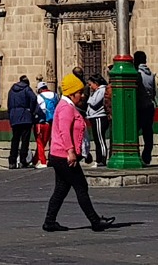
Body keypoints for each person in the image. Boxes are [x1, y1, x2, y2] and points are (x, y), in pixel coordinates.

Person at [41, 73, 114, 233]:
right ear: (71, 93)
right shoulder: (66, 108)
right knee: (81, 186)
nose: (82, 96)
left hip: (60, 155)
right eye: (79, 93)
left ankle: (49, 221)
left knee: (61, 189)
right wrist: (71, 152)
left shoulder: (65, 106)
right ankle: (95, 221)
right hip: (64, 156)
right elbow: (65, 132)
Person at [7, 75, 39, 168]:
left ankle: (12, 161)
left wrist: (11, 114)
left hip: (14, 118)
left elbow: (9, 104)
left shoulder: (12, 90)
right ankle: (22, 160)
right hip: (25, 117)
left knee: (15, 140)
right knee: (25, 140)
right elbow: (33, 98)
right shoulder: (27, 89)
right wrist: (31, 110)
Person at [133, 51, 156, 166]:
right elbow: (154, 93)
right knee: (148, 132)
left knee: (133, 131)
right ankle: (147, 155)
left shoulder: (137, 74)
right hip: (149, 106)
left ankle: (134, 154)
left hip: (139, 107)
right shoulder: (151, 74)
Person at [83, 74, 109, 165]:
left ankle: (102, 159)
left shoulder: (101, 90)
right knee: (97, 139)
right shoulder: (96, 91)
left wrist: (89, 98)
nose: (90, 87)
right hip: (93, 117)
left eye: (91, 84)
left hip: (99, 117)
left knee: (100, 139)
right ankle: (98, 160)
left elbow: (94, 102)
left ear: (96, 83)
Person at [34, 79, 57, 168]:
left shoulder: (39, 97)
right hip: (53, 122)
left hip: (42, 122)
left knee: (40, 142)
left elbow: (37, 109)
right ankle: (52, 159)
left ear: (39, 89)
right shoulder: (55, 95)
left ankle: (43, 162)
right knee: (52, 142)